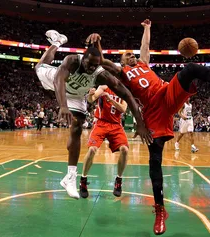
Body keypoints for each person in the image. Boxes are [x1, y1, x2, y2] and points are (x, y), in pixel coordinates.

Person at [87, 18, 210, 235]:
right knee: (155, 159)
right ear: (121, 60)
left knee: (191, 69)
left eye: (132, 53)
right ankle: (160, 210)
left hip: (166, 94)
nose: (131, 55)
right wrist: (96, 43)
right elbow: (101, 60)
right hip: (152, 112)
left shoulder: (143, 63)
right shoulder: (121, 72)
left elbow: (145, 47)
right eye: (126, 54)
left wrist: (148, 28)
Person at [35, 30, 152, 199]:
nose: (91, 69)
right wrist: (62, 106)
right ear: (84, 58)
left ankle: (70, 177)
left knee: (77, 126)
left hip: (76, 96)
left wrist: (140, 122)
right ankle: (57, 42)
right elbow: (59, 80)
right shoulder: (72, 61)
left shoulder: (101, 75)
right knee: (39, 66)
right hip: (57, 82)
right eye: (89, 64)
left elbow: (126, 94)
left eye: (94, 66)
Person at [80, 85, 129, 198]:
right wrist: (91, 94)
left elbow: (123, 109)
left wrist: (110, 99)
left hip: (116, 125)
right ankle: (83, 179)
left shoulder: (123, 90)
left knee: (125, 150)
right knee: (92, 149)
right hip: (101, 123)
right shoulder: (103, 87)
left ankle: (118, 181)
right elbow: (91, 100)